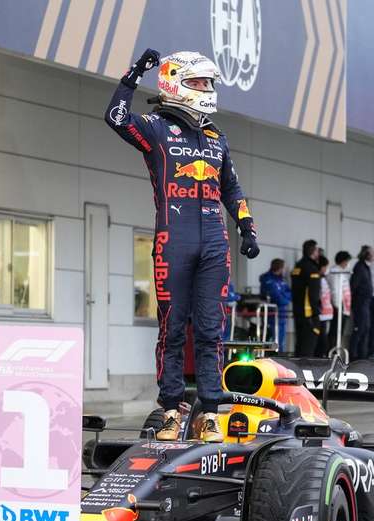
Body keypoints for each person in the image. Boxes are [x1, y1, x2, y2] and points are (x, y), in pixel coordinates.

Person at [105, 48, 260, 442]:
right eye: (199, 82)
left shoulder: (215, 136)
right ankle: (171, 411)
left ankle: (209, 413)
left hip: (214, 243)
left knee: (211, 331)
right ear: (175, 84)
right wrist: (134, 73)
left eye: (209, 83)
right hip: (172, 239)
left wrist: (246, 227)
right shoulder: (156, 128)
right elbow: (116, 117)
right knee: (172, 330)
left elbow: (233, 188)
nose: (207, 89)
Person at [291, 240, 322, 356]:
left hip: (297, 311)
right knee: (308, 346)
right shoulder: (312, 269)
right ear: (313, 252)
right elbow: (313, 293)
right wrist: (316, 312)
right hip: (309, 314)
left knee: (300, 344)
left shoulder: (297, 267)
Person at [259, 258, 291, 352]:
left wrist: (284, 297)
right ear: (280, 268)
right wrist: (285, 298)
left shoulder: (281, 280)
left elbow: (289, 293)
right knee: (273, 340)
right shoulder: (267, 279)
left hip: (282, 314)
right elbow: (276, 296)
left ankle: (280, 359)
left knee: (281, 341)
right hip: (272, 315)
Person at [349, 246, 373, 359]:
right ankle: (354, 356)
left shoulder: (365, 267)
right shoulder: (359, 267)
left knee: (365, 329)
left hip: (365, 303)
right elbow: (354, 286)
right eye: (371, 253)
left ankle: (362, 356)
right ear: (367, 254)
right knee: (359, 329)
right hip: (360, 303)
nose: (373, 255)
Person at [328, 250, 353, 353]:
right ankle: (333, 352)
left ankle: (336, 350)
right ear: (342, 261)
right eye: (346, 261)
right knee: (335, 330)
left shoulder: (343, 272)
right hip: (338, 306)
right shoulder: (335, 272)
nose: (347, 264)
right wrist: (338, 306)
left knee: (340, 330)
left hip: (344, 305)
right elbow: (335, 290)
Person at [316, 255, 334, 357]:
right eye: (325, 267)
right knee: (322, 339)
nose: (326, 269)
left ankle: (322, 355)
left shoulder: (323, 279)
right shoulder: (317, 279)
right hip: (320, 314)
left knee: (324, 338)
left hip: (326, 313)